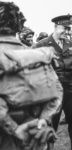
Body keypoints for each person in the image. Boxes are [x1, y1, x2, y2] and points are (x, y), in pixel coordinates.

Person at [0, 1, 63, 150]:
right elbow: (57, 91)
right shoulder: (36, 54)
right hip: (35, 133)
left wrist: (15, 129)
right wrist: (43, 119)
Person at [33, 14, 72, 150]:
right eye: (64, 28)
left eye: (69, 29)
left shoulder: (71, 44)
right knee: (51, 127)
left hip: (70, 91)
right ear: (55, 27)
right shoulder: (41, 45)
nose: (67, 32)